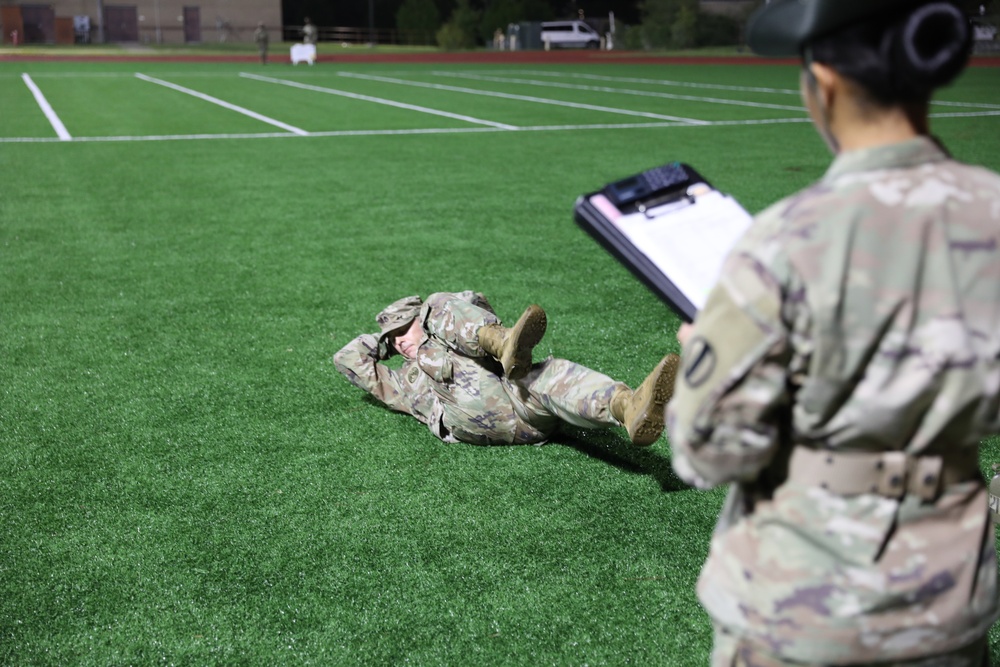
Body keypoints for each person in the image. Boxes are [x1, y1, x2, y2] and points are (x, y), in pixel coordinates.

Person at [666, 1, 1000, 665]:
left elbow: (707, 449)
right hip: (947, 605)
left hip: (799, 608)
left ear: (824, 83)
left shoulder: (787, 238)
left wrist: (703, 355)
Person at [334, 291, 679, 447]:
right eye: (390, 342)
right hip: (465, 415)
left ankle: (628, 407)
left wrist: (432, 313)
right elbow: (346, 358)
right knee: (437, 318)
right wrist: (381, 342)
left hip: (523, 410)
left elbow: (476, 300)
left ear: (420, 317)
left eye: (400, 332)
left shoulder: (443, 317)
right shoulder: (402, 378)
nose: (397, 344)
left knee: (548, 372)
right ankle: (502, 342)